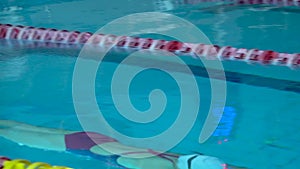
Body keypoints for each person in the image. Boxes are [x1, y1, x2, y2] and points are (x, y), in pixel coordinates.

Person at [0, 120, 247, 169]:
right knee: (16, 135)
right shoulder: (157, 167)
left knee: (19, 128)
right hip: (83, 145)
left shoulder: (180, 158)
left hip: (92, 138)